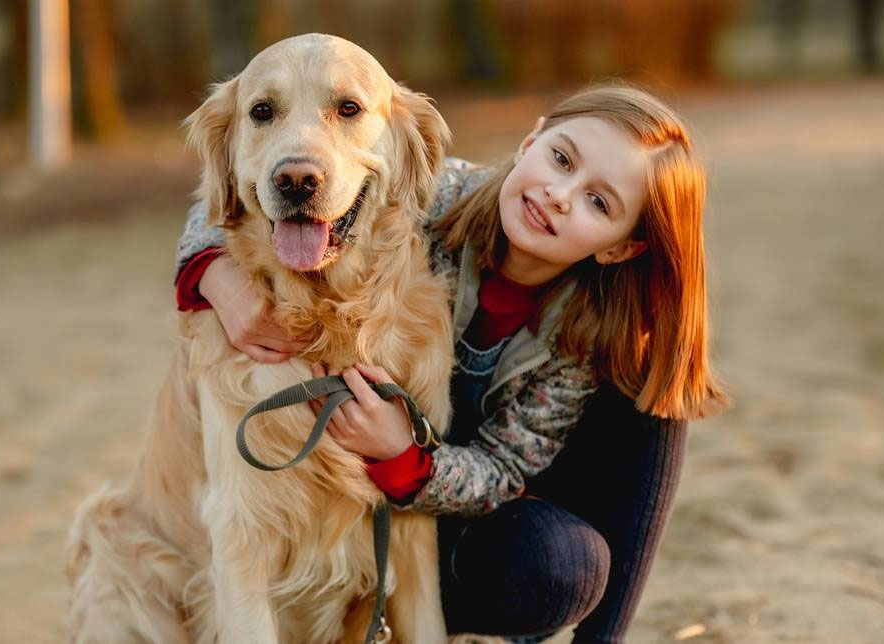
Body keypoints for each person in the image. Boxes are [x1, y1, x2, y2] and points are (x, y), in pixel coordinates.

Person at [174, 83, 727, 643]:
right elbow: (229, 196)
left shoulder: (576, 341)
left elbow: (501, 470)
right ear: (530, 139)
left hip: (443, 512)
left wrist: (405, 456)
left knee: (652, 386)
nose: (560, 194)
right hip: (343, 499)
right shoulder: (430, 192)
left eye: (598, 202)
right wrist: (214, 277)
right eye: (561, 159)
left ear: (619, 247)